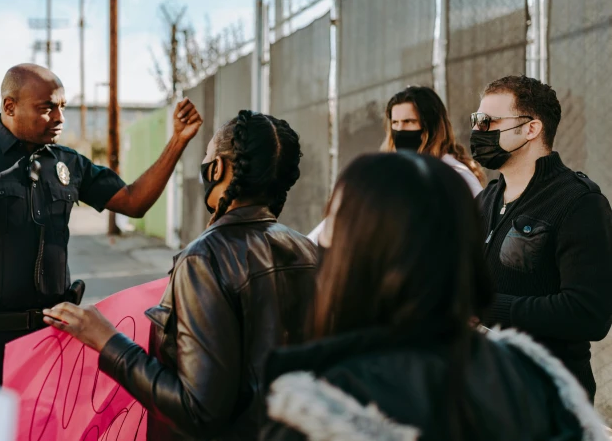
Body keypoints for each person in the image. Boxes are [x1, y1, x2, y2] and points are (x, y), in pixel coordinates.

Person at [260, 153, 609, 441]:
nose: (320, 243)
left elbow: (587, 310)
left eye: (332, 225)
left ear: (357, 255)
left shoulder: (318, 410)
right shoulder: (538, 385)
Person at [0, 64, 202, 384]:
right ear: (10, 106)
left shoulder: (67, 162)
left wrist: (177, 141)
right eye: (47, 108)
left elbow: (133, 202)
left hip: (53, 338)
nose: (59, 118)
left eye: (62, 107)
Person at [44, 110, 318, 440]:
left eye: (206, 156)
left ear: (217, 168)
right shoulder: (307, 249)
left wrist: (107, 340)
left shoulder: (204, 258)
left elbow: (199, 411)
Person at [470, 75, 612, 402]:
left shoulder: (578, 203)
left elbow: (589, 314)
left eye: (489, 121)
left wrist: (485, 307)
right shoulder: (487, 199)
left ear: (531, 129)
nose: (479, 130)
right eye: (476, 120)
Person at [307, 85, 484, 242]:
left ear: (431, 127)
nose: (400, 130)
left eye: (409, 122)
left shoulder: (456, 174)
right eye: (395, 123)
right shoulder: (390, 171)